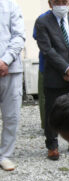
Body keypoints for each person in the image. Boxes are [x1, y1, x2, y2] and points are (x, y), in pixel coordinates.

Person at [34, 0, 69, 161]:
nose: (61, 5)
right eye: (57, 2)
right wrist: (65, 68)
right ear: (50, 3)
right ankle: (52, 145)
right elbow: (47, 49)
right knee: (52, 111)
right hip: (54, 75)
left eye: (64, 1)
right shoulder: (43, 22)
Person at [0, 0, 25, 171]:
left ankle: (5, 155)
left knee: (11, 116)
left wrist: (5, 60)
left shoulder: (10, 5)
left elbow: (19, 36)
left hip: (11, 69)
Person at [33, 2, 52, 130]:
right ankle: (47, 126)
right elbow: (38, 37)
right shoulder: (42, 20)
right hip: (47, 65)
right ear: (50, 3)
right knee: (45, 98)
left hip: (67, 66)